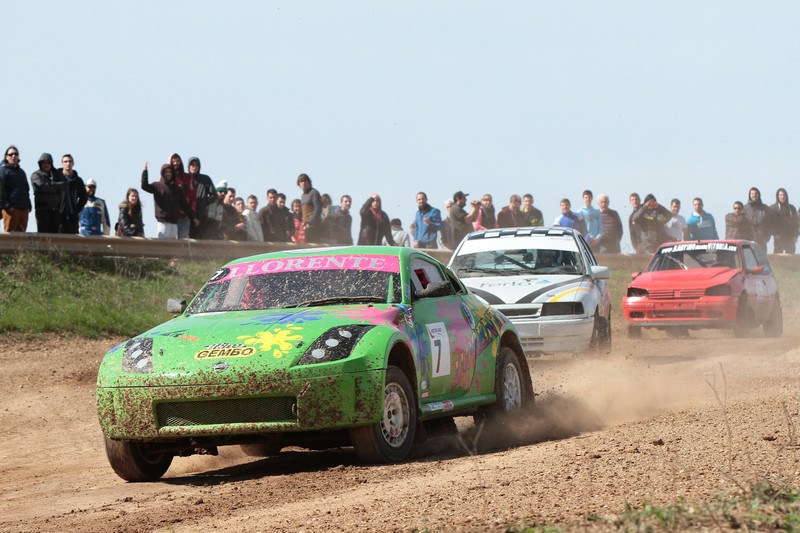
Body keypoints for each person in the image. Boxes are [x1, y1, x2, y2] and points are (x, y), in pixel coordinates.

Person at [140, 161, 196, 239]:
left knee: (172, 247)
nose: (168, 174)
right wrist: (145, 171)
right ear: (162, 173)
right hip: (163, 222)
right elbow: (144, 186)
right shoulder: (157, 186)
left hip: (174, 222)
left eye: (170, 172)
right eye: (166, 172)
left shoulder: (177, 189)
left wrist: (193, 218)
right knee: (162, 245)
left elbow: (184, 205)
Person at [30, 153, 66, 233]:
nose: (46, 165)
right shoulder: (36, 175)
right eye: (44, 162)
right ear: (40, 163)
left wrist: (51, 185)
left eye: (48, 162)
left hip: (56, 211)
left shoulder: (57, 174)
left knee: (55, 237)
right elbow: (42, 186)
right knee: (43, 237)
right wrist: (57, 188)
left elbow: (64, 185)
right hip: (42, 211)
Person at [0, 145, 32, 232]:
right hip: (11, 210)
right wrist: (7, 206)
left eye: (16, 154)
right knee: (11, 239)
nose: (14, 156)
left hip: (23, 210)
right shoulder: (3, 171)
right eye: (11, 154)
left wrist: (28, 205)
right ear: (6, 157)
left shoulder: (21, 172)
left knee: (21, 239)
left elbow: (26, 189)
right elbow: (0, 190)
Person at [186, 157, 217, 239]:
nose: (194, 167)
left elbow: (214, 195)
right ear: (189, 166)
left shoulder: (205, 179)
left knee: (201, 239)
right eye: (192, 165)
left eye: (196, 165)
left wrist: (204, 201)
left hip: (201, 216)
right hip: (187, 216)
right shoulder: (185, 179)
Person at [57, 153, 88, 234]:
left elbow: (84, 198)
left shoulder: (78, 180)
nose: (68, 164)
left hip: (72, 219)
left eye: (70, 161)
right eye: (65, 161)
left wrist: (76, 210)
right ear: (62, 163)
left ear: (73, 163)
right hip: (58, 217)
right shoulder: (56, 178)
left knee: (72, 243)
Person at [170, 153, 195, 238]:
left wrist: (191, 213)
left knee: (183, 242)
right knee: (170, 240)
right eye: (173, 161)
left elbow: (193, 196)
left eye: (177, 161)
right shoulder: (166, 178)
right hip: (171, 216)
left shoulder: (187, 178)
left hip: (185, 216)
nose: (175, 163)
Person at [743, 187, 772, 252]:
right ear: (749, 195)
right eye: (752, 193)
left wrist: (767, 237)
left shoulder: (765, 208)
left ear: (759, 195)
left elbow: (770, 223)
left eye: (756, 193)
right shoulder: (745, 208)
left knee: (762, 260)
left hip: (762, 240)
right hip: (748, 239)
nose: (754, 195)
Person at [770, 188, 798, 254]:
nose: (782, 197)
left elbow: (796, 224)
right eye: (781, 195)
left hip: (790, 238)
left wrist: (795, 236)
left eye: (784, 195)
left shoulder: (792, 208)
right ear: (778, 196)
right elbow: (769, 224)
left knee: (791, 258)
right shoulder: (772, 208)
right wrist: (774, 233)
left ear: (786, 196)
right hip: (778, 238)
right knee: (777, 258)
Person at [297, 173, 322, 243]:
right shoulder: (303, 195)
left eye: (305, 181)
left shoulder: (314, 193)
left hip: (314, 226)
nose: (303, 183)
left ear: (309, 182)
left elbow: (318, 209)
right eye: (301, 181)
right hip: (306, 227)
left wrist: (310, 222)